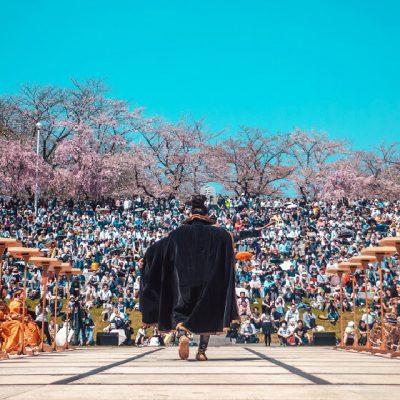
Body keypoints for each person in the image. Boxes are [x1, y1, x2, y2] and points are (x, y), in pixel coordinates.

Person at [140, 195, 270, 361]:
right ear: (207, 216)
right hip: (208, 283)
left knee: (181, 312)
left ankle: (182, 335)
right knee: (208, 315)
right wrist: (255, 231)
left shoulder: (177, 234)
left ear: (190, 214)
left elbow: (157, 248)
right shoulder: (220, 234)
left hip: (184, 284)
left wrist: (145, 260)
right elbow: (235, 236)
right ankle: (201, 351)